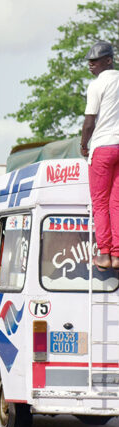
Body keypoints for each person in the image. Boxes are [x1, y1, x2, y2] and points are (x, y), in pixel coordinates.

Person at [80, 41, 119, 271]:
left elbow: (89, 121)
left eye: (95, 60)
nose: (90, 65)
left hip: (103, 147)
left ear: (108, 60)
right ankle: (117, 255)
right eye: (89, 61)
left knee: (100, 202)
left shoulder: (96, 85)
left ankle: (104, 253)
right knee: (117, 203)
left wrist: (84, 144)